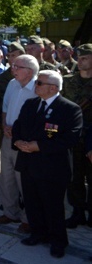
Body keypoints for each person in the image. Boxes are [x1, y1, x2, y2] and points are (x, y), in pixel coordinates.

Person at [13, 70, 83, 259]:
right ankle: (38, 234)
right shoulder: (30, 104)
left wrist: (39, 146)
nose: (35, 86)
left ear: (53, 88)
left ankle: (58, 241)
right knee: (32, 203)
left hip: (52, 168)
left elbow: (70, 138)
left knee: (53, 207)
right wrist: (18, 141)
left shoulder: (70, 109)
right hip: (28, 163)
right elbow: (18, 126)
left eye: (39, 83)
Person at [0, 54, 39, 234]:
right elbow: (5, 107)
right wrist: (5, 125)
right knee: (6, 177)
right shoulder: (12, 84)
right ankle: (10, 212)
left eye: (17, 67)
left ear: (29, 71)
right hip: (8, 137)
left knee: (25, 181)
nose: (13, 69)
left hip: (25, 142)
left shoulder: (38, 87)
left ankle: (29, 218)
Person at [61, 43, 92, 229]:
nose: (80, 61)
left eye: (85, 58)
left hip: (91, 137)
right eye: (79, 57)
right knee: (74, 178)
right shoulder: (68, 80)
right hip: (73, 137)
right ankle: (77, 212)